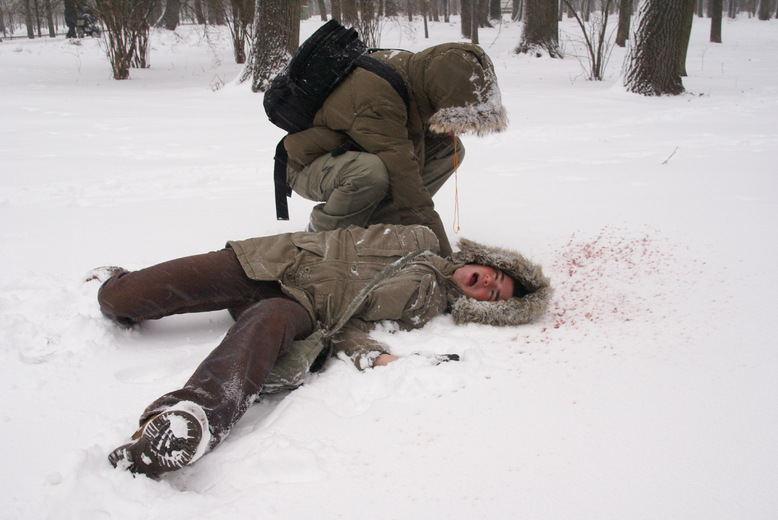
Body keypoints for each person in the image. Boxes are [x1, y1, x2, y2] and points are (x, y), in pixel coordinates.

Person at [99, 224, 551, 479]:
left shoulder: (426, 305)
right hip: (270, 260)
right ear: (486, 261)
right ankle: (115, 282)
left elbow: (350, 327)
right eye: (494, 276)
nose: (487, 284)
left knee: (268, 320)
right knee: (121, 300)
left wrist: (376, 357)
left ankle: (192, 420)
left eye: (493, 295)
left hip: (298, 307)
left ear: (482, 306)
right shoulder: (420, 235)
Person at [283, 43, 509, 258]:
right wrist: (445, 260)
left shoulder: (416, 78)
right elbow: (408, 185)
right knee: (370, 172)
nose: (462, 129)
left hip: (349, 154)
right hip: (305, 164)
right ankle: (321, 236)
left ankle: (375, 227)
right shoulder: (379, 99)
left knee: (449, 149)